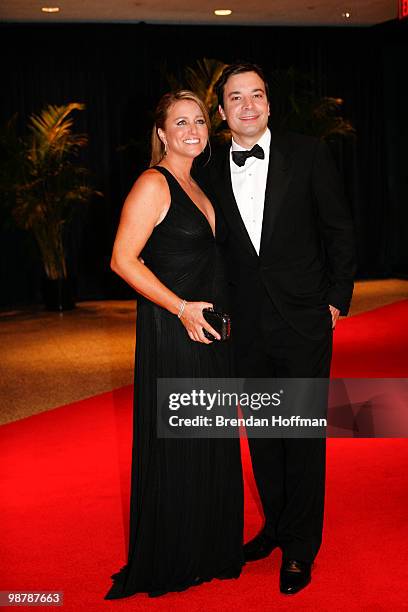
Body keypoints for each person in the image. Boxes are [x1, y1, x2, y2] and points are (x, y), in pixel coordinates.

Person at [195, 62, 356, 595]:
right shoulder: (210, 167)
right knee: (264, 436)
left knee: (302, 436)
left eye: (256, 95)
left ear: (268, 103)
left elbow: (339, 229)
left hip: (305, 320)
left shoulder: (307, 152)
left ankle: (301, 546)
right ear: (221, 113)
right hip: (247, 326)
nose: (247, 106)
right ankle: (277, 525)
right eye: (236, 98)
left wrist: (336, 301)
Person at [105, 90, 244, 599]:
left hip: (210, 332)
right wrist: (180, 307)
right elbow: (123, 259)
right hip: (175, 330)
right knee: (183, 442)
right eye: (180, 122)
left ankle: (208, 547)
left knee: (207, 437)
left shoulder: (201, 185)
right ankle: (177, 553)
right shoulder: (153, 183)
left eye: (200, 121)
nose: (193, 129)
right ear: (161, 133)